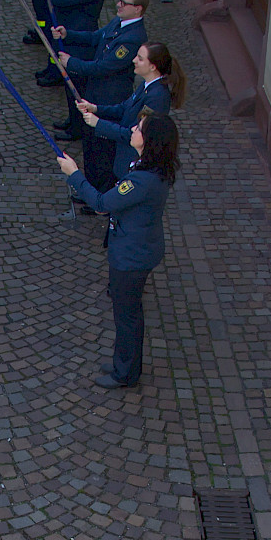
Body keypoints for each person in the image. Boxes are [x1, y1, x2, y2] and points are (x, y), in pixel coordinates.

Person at [57, 108, 178, 388]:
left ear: (149, 141)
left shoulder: (142, 179)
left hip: (131, 256)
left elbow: (101, 204)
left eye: (139, 129)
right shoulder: (149, 169)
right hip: (139, 248)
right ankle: (125, 362)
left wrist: (74, 175)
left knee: (126, 315)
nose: (133, 130)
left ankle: (125, 372)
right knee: (129, 312)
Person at [75, 40, 183, 190]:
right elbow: (124, 108)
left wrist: (98, 123)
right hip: (123, 156)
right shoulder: (146, 85)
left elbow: (135, 132)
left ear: (153, 66)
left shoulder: (157, 97)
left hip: (131, 157)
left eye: (140, 58)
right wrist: (96, 108)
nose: (133, 60)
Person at [46, 0, 149, 128]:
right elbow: (96, 37)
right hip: (96, 89)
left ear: (137, 9)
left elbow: (105, 67)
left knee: (98, 141)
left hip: (109, 96)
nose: (118, 5)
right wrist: (67, 34)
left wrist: (71, 63)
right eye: (120, 0)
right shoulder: (119, 21)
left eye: (124, 3)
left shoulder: (133, 38)